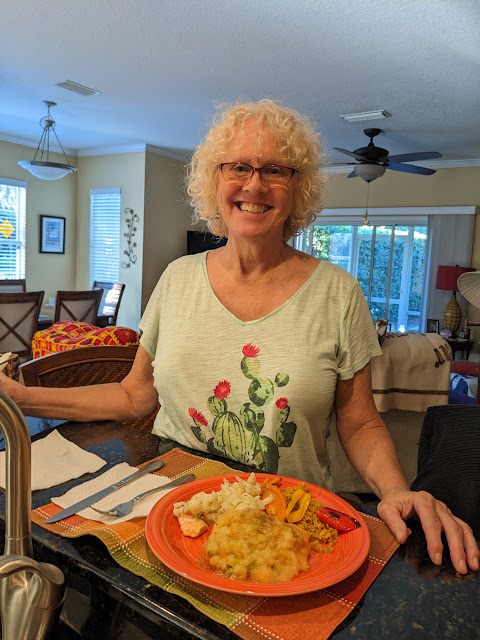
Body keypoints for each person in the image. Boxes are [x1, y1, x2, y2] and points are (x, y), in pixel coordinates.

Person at [0, 99, 478, 575]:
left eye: (275, 170)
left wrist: (396, 491)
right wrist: (22, 398)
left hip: (283, 527)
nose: (254, 184)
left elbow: (359, 424)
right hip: (169, 511)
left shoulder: (338, 293)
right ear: (215, 180)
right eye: (239, 167)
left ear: (298, 187)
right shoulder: (176, 279)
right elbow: (135, 395)